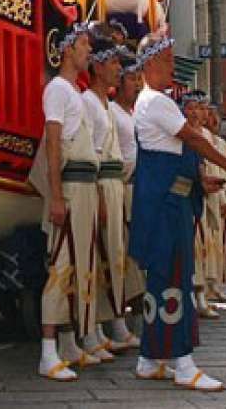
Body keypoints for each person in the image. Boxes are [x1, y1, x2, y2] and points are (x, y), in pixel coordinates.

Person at [128, 34, 226, 391]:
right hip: (167, 210)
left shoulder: (151, 101)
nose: (172, 66)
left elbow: (177, 157)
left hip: (169, 203)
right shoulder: (156, 102)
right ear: (150, 63)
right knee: (174, 280)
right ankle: (182, 361)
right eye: (167, 60)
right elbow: (195, 140)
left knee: (162, 281)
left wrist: (205, 182)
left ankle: (150, 358)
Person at [29, 22, 100, 381]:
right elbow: (54, 144)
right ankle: (47, 351)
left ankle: (70, 342)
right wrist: (56, 195)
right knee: (61, 264)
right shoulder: (57, 89)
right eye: (85, 44)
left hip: (86, 186)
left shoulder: (75, 90)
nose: (89, 50)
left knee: (79, 266)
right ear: (68, 49)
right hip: (70, 187)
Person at [82, 38, 136, 358]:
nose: (118, 69)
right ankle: (92, 330)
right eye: (114, 63)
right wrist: (99, 196)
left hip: (116, 181)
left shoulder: (104, 104)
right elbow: (90, 149)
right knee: (99, 256)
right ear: (98, 66)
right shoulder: (88, 101)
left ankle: (114, 324)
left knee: (114, 257)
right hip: (101, 181)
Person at [109, 50, 146, 325]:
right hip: (120, 187)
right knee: (121, 254)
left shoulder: (133, 114)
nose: (137, 84)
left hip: (138, 190)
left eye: (138, 79)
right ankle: (118, 317)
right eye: (132, 78)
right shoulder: (110, 110)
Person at [180, 91, 220, 320]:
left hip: (203, 196)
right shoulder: (182, 133)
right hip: (185, 195)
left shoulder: (204, 135)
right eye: (191, 107)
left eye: (199, 107)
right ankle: (191, 296)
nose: (196, 112)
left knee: (205, 247)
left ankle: (204, 293)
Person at [204, 106, 226, 302]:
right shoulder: (204, 140)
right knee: (208, 243)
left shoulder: (222, 143)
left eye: (215, 116)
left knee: (221, 244)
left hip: (224, 193)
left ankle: (216, 284)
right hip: (211, 196)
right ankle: (207, 286)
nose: (213, 120)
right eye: (209, 115)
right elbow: (214, 170)